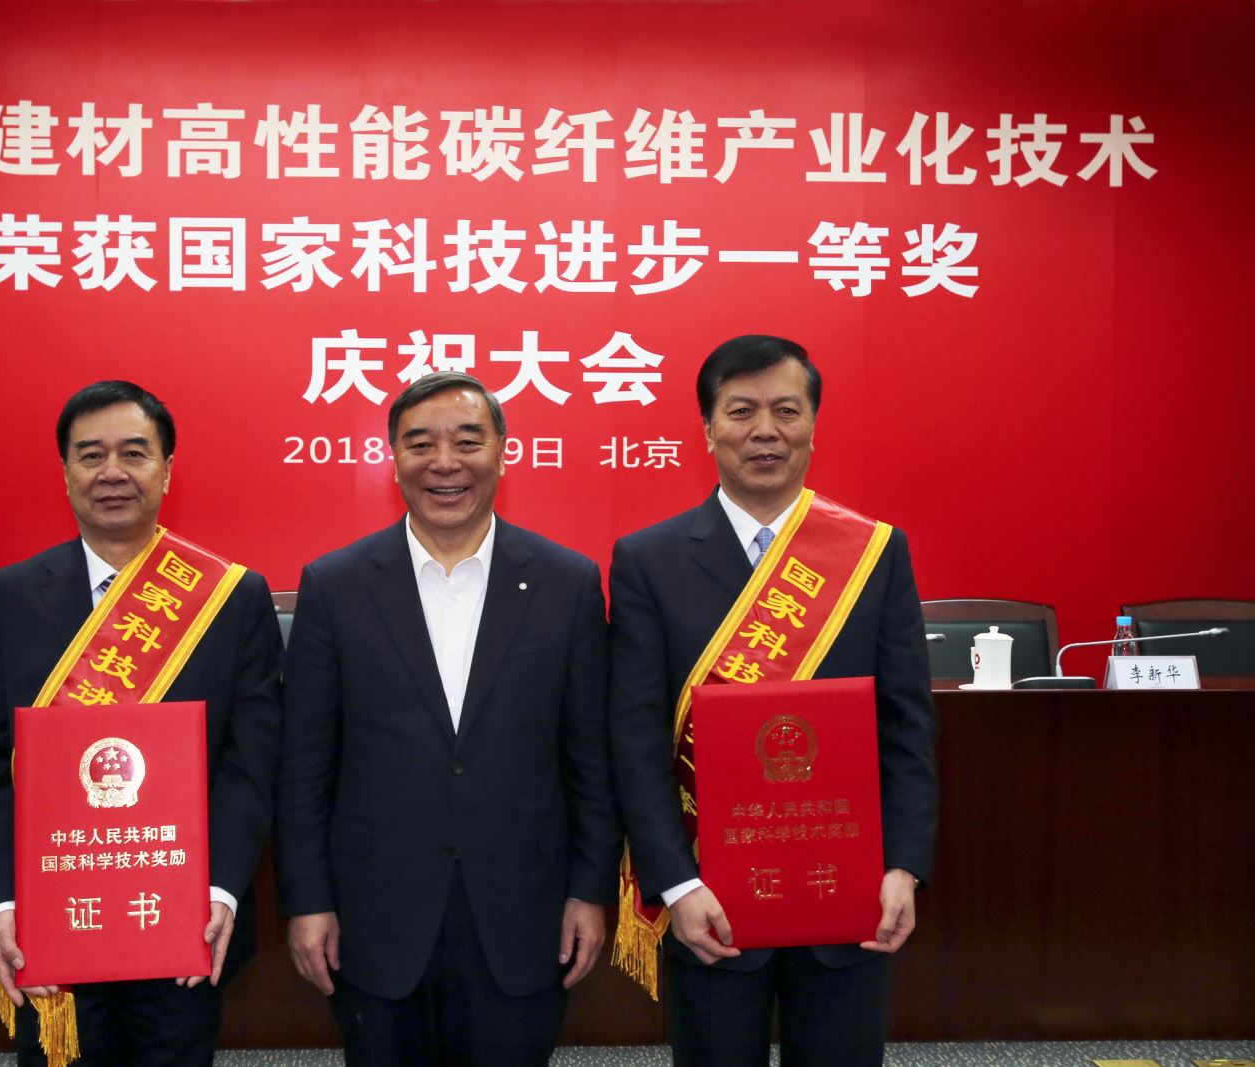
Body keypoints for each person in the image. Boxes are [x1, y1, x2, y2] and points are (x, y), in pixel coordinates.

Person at [609, 336, 938, 1066]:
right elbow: (634, 738)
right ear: (708, 429)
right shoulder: (647, 560)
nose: (766, 430)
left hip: (849, 894)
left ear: (813, 425)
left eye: (786, 411)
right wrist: (676, 883)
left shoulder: (874, 553)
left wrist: (903, 867)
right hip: (711, 899)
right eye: (742, 411)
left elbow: (906, 728)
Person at [277, 372, 620, 1066]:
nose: (444, 463)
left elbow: (590, 758)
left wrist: (589, 890)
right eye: (420, 444)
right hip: (375, 913)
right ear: (393, 458)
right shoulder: (335, 585)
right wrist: (307, 901)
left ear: (502, 452)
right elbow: (305, 765)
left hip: (524, 910)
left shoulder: (568, 582)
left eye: (467, 441)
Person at [0, 380, 283, 1067]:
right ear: (65, 471)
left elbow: (251, 762)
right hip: (49, 915)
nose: (112, 472)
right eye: (91, 454)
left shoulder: (231, 597)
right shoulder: (9, 595)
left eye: (134, 453)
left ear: (166, 469)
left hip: (183, 914)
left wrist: (219, 889)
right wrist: (2, 901)